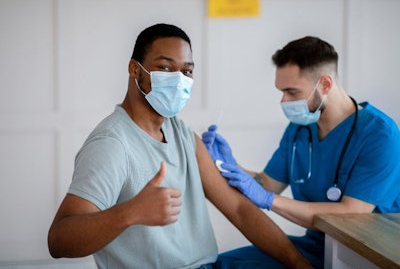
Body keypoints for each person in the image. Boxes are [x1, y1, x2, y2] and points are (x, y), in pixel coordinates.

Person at [47, 23, 311, 269]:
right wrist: (129, 212)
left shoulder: (183, 135)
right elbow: (59, 241)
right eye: (164, 68)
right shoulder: (112, 144)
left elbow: (239, 210)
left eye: (186, 71)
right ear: (135, 69)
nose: (178, 79)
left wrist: (300, 265)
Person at [202, 36, 400, 269]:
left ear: (325, 84)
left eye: (292, 92)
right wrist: (227, 165)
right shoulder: (300, 128)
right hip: (317, 247)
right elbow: (265, 184)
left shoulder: (379, 134)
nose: (284, 101)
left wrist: (269, 201)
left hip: (364, 254)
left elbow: (352, 213)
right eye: (281, 92)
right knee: (217, 266)